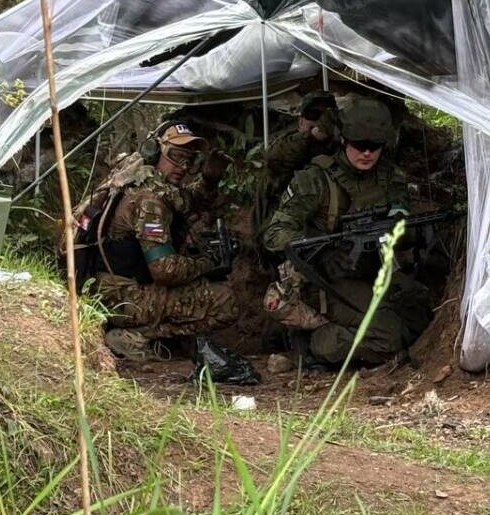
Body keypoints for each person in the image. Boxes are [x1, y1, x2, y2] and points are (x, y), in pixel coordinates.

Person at [76, 121, 256, 381]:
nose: (183, 167)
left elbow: (187, 201)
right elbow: (165, 270)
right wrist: (208, 263)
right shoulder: (150, 202)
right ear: (154, 152)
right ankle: (135, 336)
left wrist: (209, 179)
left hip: (111, 289)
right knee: (223, 300)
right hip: (124, 296)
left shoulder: (144, 183)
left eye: (189, 160)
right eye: (176, 157)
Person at [261, 97, 431, 367]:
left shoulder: (389, 177)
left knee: (423, 314)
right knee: (389, 337)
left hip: (374, 272)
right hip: (325, 280)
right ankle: (316, 342)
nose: (367, 153)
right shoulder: (315, 180)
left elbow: (402, 218)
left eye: (374, 146)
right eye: (359, 145)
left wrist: (398, 227)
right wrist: (321, 249)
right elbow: (274, 234)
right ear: (343, 139)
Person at [253, 91, 339, 238]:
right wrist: (312, 135)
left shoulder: (337, 148)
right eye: (314, 114)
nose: (321, 120)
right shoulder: (288, 145)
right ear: (300, 122)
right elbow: (277, 159)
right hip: (281, 234)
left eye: (327, 115)